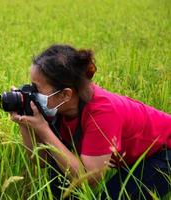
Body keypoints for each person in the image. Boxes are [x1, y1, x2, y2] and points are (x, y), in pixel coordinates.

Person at [9, 44, 171, 199]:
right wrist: (24, 121)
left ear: (65, 94)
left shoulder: (103, 113)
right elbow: (42, 159)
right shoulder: (57, 107)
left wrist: (44, 130)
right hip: (133, 154)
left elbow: (88, 179)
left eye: (37, 89)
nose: (31, 93)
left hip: (164, 153)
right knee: (58, 180)